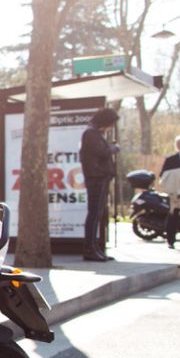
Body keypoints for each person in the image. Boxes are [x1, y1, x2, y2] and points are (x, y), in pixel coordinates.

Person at [78, 108, 119, 262]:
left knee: (97, 214)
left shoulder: (94, 133)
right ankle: (90, 248)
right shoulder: (91, 133)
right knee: (94, 213)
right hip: (96, 177)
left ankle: (94, 248)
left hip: (99, 177)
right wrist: (114, 148)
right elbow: (101, 152)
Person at [158, 133, 180, 249]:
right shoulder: (171, 159)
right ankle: (171, 241)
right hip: (177, 193)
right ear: (177, 146)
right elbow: (163, 176)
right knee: (173, 216)